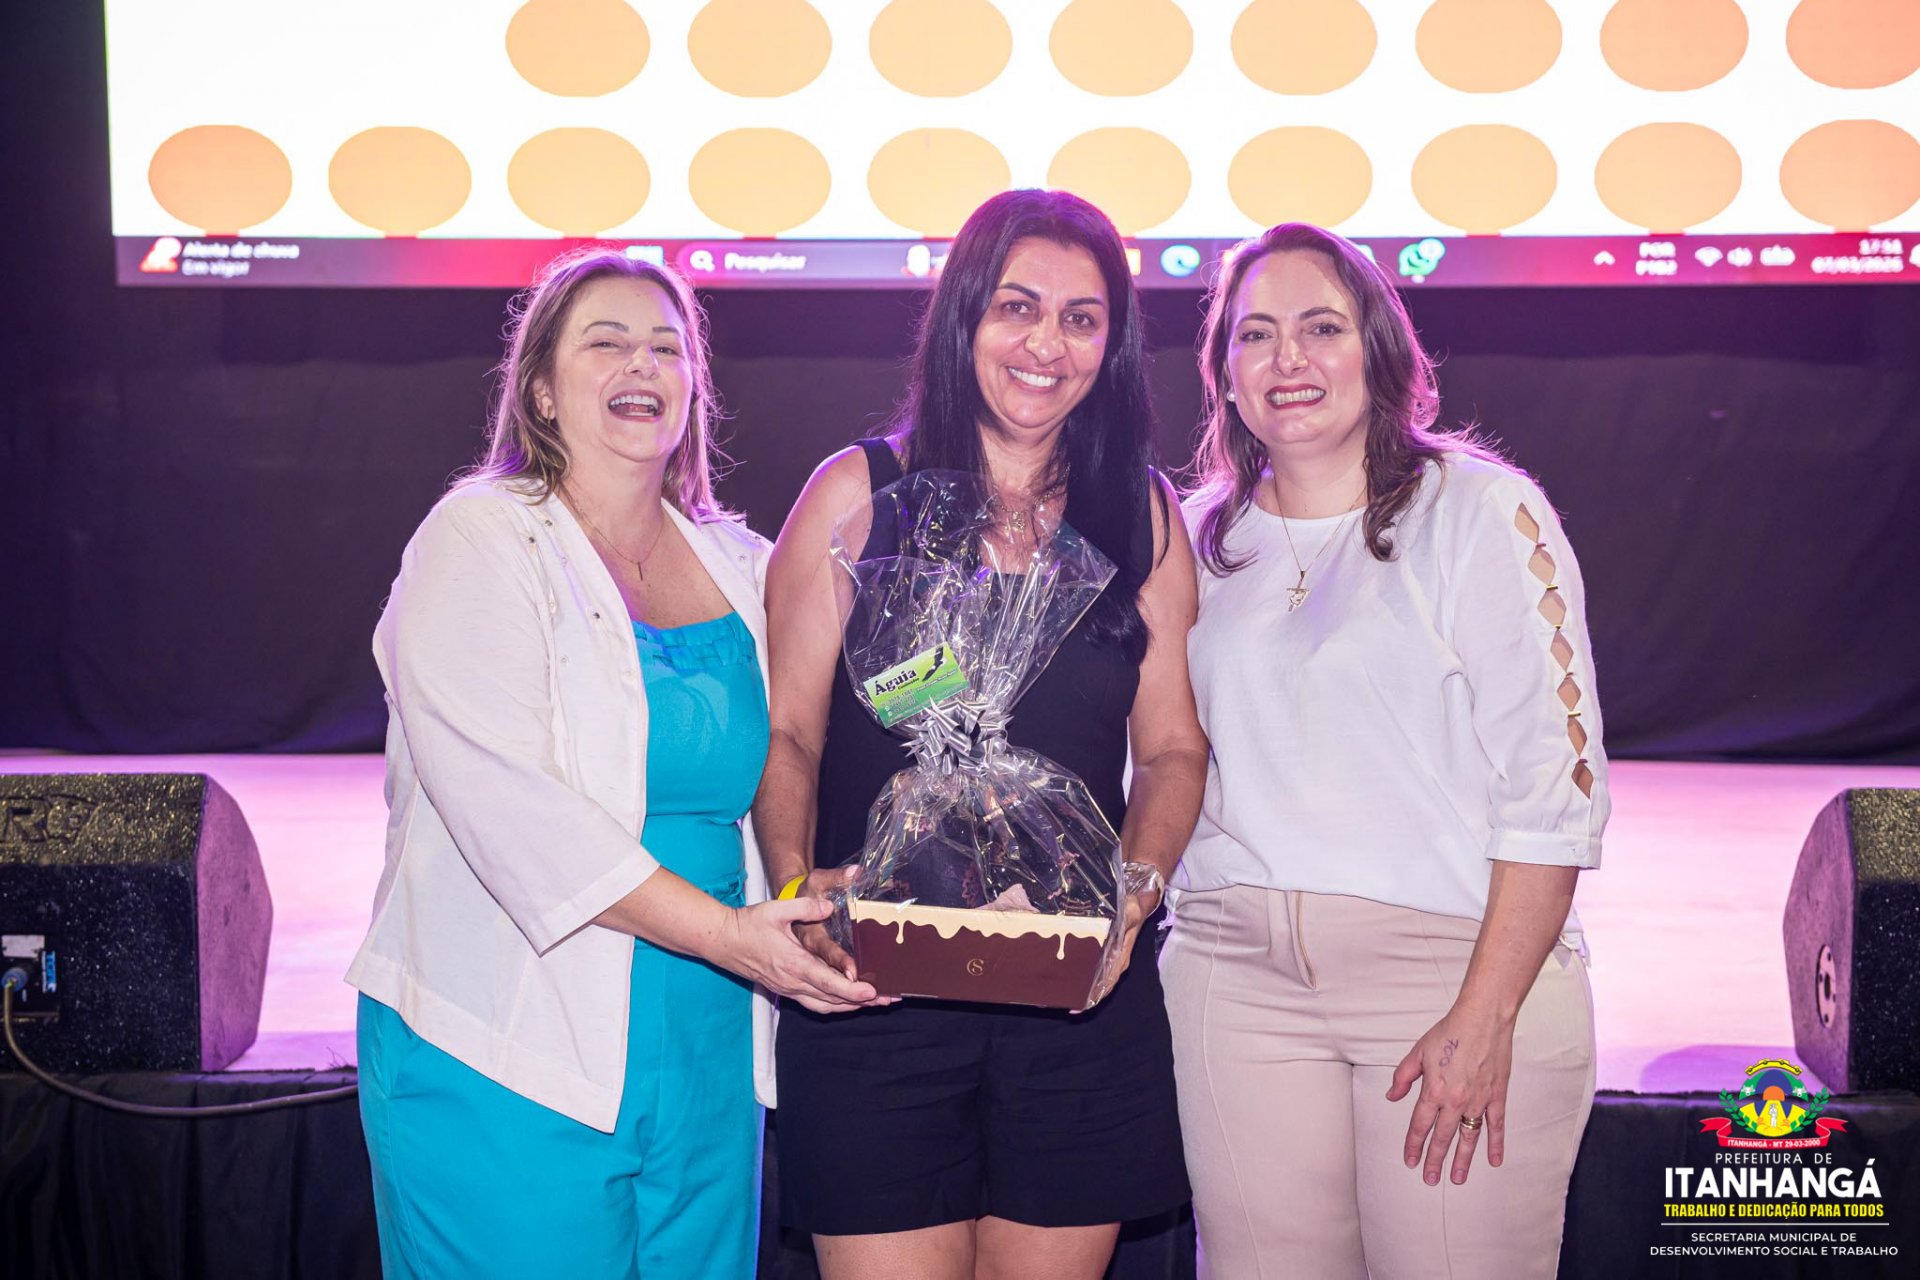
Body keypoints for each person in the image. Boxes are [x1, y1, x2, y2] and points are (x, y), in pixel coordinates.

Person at [345, 248, 875, 1280]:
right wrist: (732, 934)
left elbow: (813, 739)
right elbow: (511, 808)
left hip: (706, 1042)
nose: (643, 364)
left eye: (667, 348)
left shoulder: (743, 562)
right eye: (607, 341)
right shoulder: (479, 538)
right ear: (541, 388)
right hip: (506, 1040)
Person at [758, 189, 1207, 1280]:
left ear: (1113, 344)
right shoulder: (857, 495)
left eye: (1081, 318)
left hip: (1075, 992)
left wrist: (1136, 892)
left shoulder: (1140, 512)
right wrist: (795, 893)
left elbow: (1175, 750)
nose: (1046, 344)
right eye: (1017, 307)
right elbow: (791, 735)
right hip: (876, 988)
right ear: (962, 316)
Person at [1166, 221, 1608, 1278]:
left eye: (1322, 327)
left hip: (1450, 975)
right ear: (1223, 371)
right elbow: (1159, 761)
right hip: (1235, 981)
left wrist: (1487, 1010)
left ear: (1379, 347)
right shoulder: (1189, 538)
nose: (1288, 358)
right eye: (1255, 334)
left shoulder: (1480, 511)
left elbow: (1553, 791)